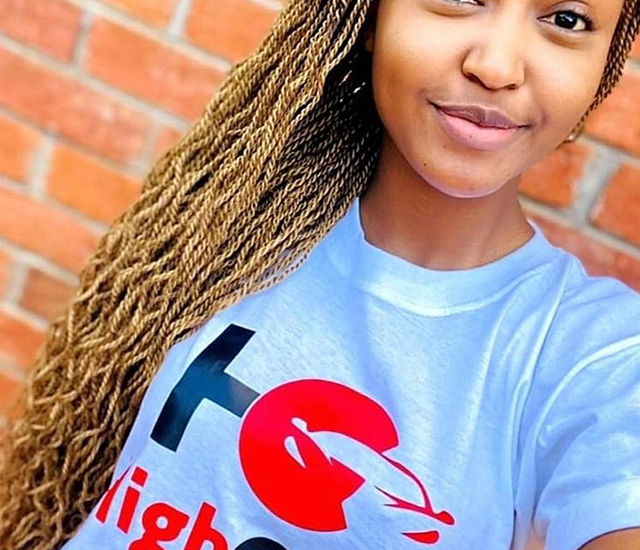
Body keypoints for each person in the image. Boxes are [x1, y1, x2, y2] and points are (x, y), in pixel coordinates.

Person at [1, 0, 639, 548]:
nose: (497, 66)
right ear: (371, 17)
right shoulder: (237, 221)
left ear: (602, 69)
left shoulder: (596, 357)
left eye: (566, 19)